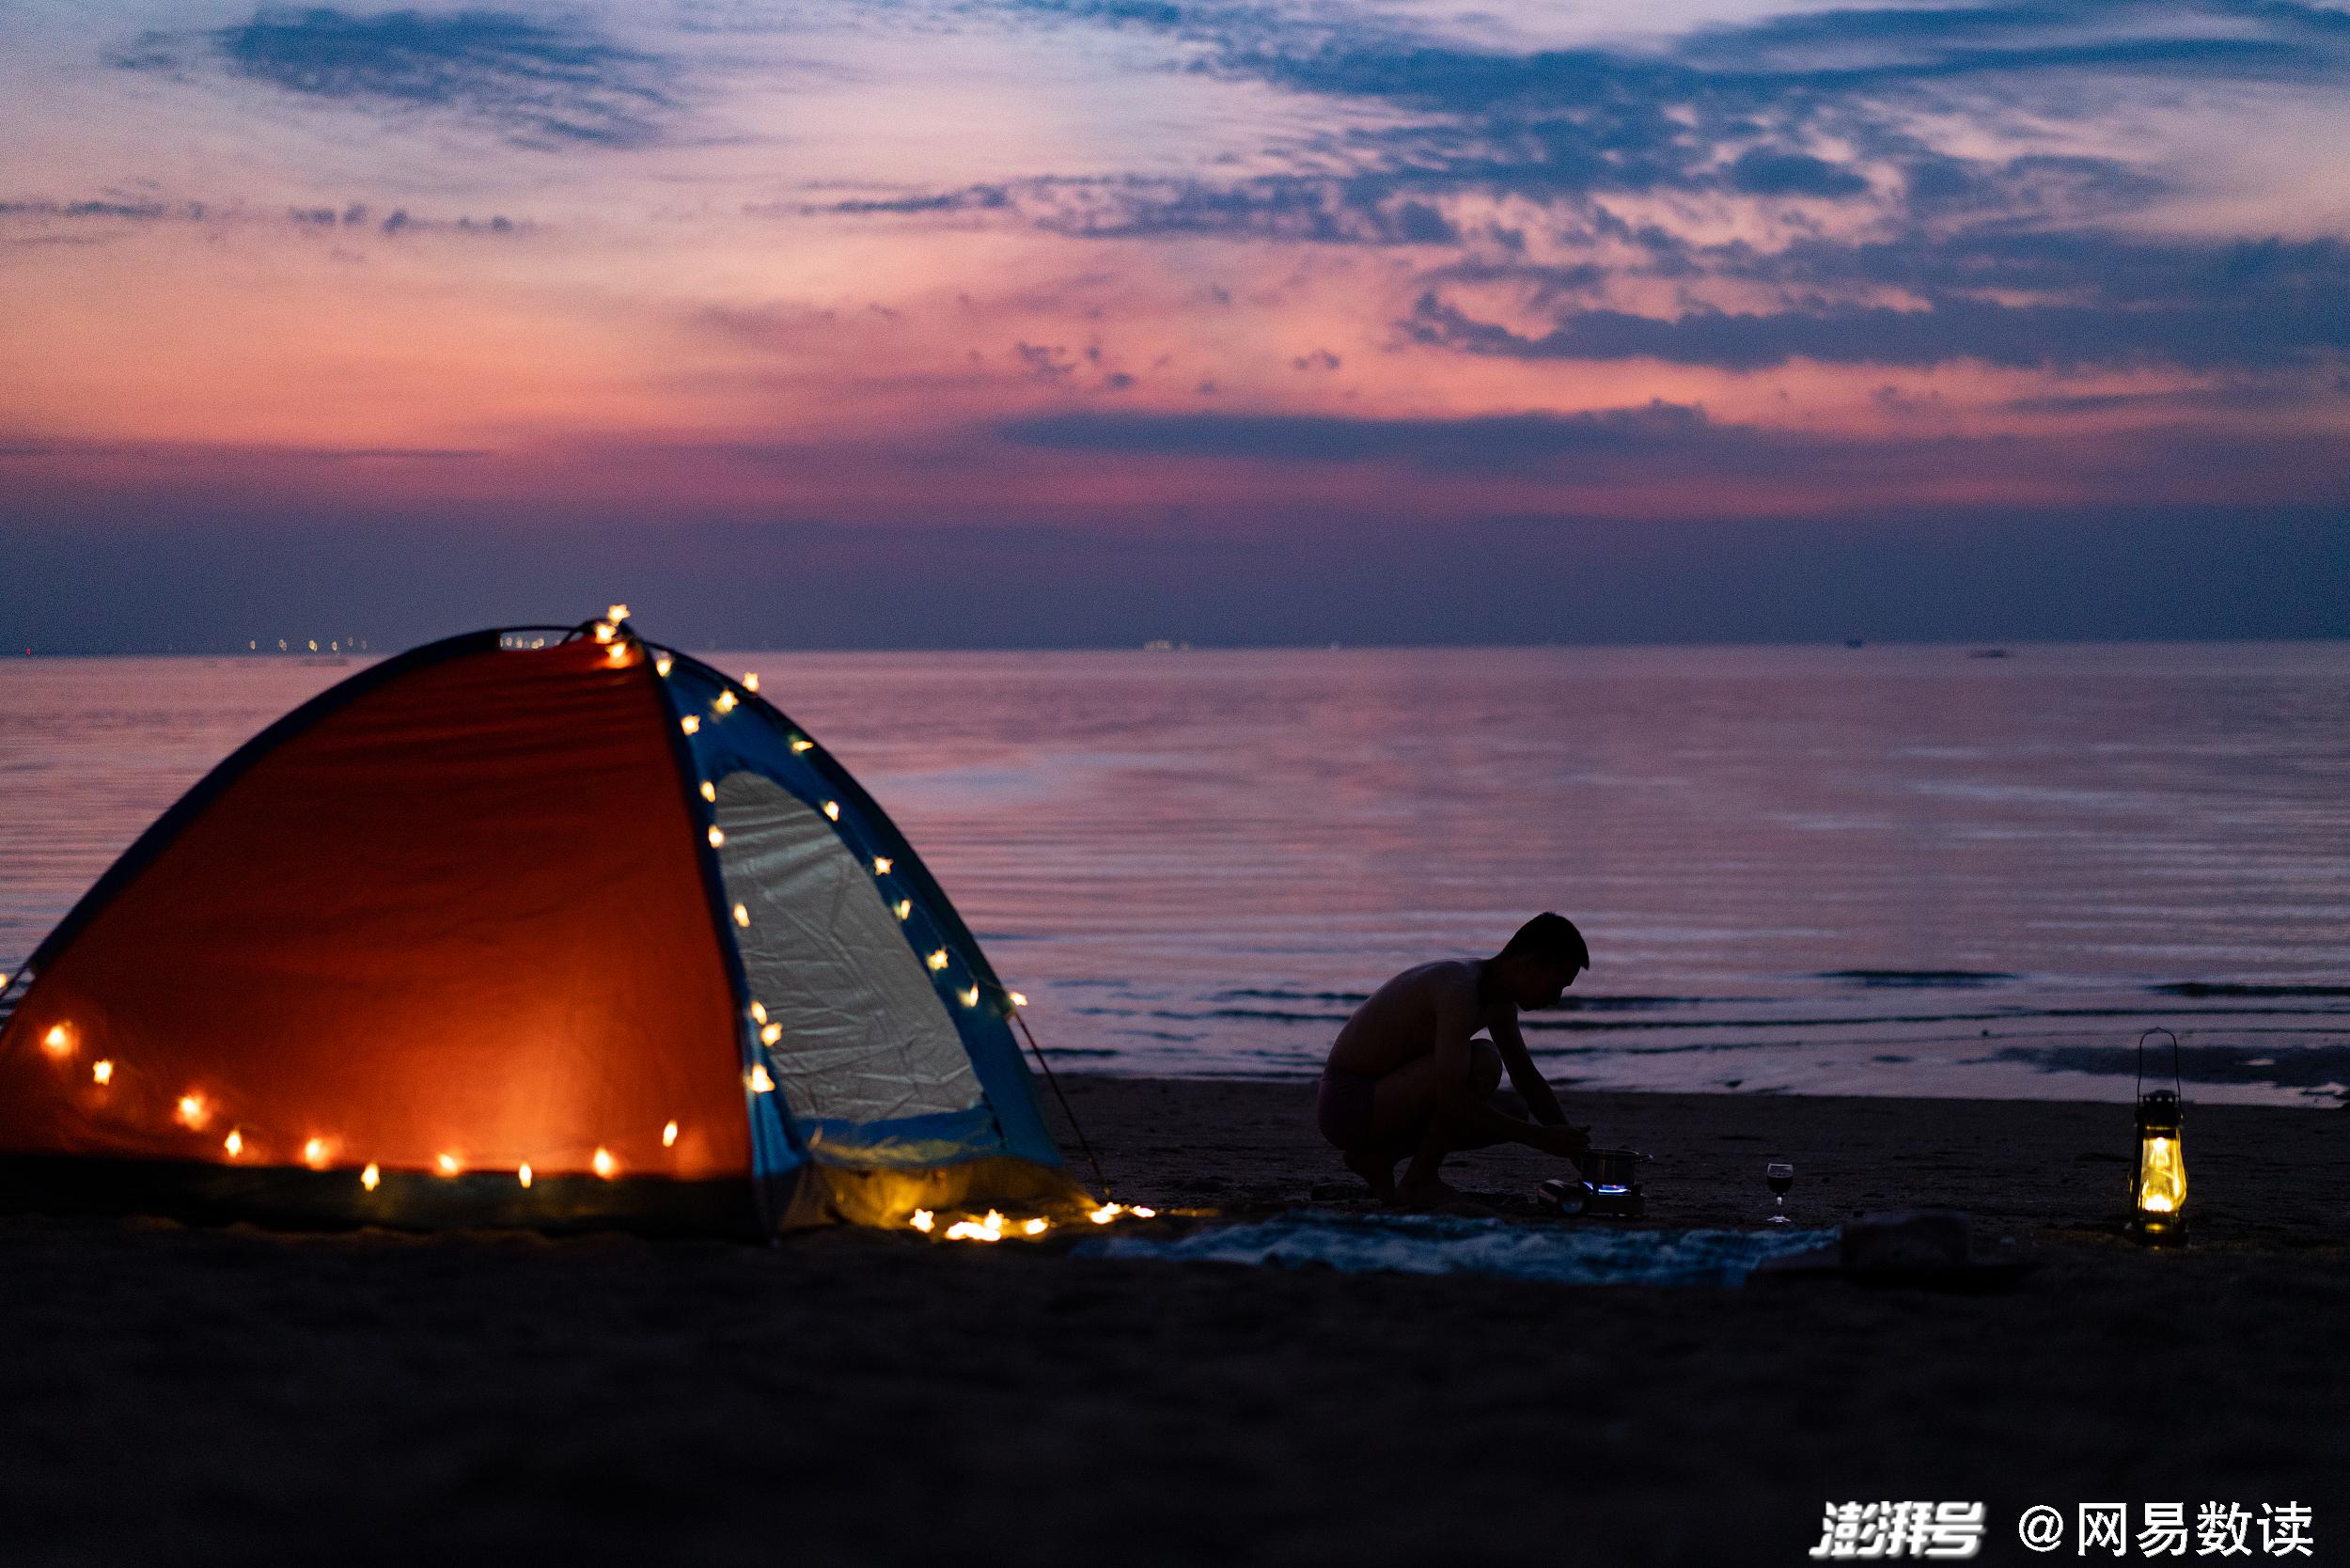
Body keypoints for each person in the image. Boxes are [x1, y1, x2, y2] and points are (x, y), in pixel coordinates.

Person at [1317, 913, 1592, 1204]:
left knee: (1514, 1110)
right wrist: (1539, 1138)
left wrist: (1577, 1152)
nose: (1556, 999)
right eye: (1557, 985)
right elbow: (1452, 1099)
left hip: (1386, 1097)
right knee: (1483, 1062)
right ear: (1527, 964)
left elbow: (1525, 1076)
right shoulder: (1459, 988)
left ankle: (1379, 1158)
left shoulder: (1498, 998)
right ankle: (1419, 1181)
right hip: (1347, 1104)